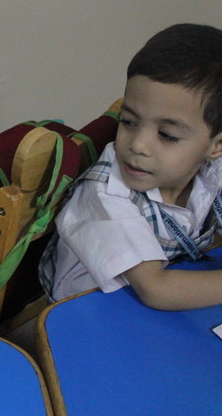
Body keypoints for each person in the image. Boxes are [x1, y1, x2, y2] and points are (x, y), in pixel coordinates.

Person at [39, 23, 222, 310]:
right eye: (129, 122)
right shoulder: (106, 193)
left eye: (166, 135)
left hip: (156, 301)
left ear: (216, 146)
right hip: (86, 312)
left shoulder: (213, 167)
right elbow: (156, 290)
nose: (138, 145)